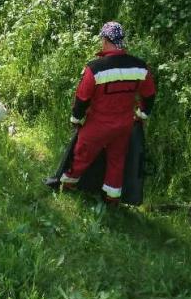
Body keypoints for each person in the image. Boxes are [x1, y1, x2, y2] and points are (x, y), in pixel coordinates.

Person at [60, 21, 156, 204]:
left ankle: (68, 185)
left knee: (82, 154)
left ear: (105, 39)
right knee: (117, 161)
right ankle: (111, 198)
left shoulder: (95, 68)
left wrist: (76, 119)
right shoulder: (140, 67)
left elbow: (82, 97)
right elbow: (149, 94)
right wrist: (142, 114)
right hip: (124, 125)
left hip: (98, 124)